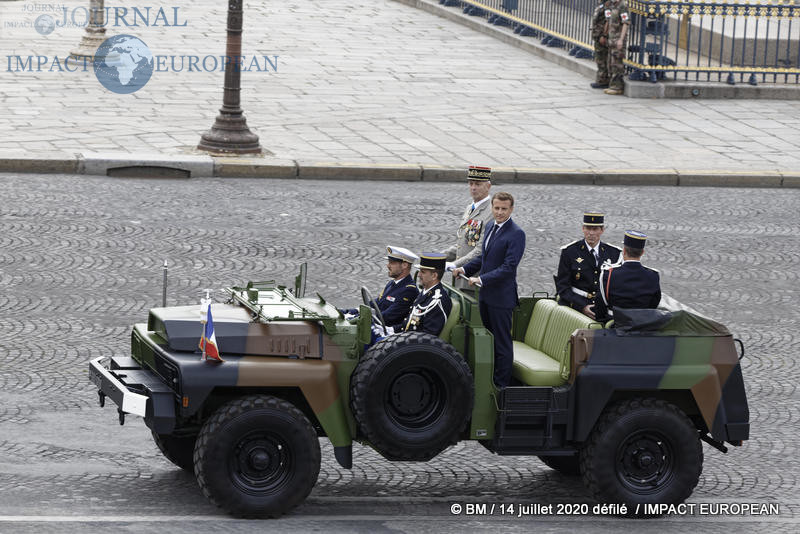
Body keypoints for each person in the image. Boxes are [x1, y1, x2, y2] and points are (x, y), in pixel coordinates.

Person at [453, 192, 525, 389]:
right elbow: (484, 259)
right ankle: (488, 380)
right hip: (485, 296)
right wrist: (464, 269)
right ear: (492, 208)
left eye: (504, 209)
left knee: (502, 344)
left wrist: (481, 279)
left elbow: (508, 268)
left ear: (511, 209)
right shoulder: (491, 226)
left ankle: (501, 387)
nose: (499, 212)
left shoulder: (516, 233)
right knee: (488, 341)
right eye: (496, 208)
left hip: (501, 299)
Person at [554, 211, 620, 321]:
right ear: (583, 228)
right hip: (576, 306)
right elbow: (563, 286)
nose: (591, 233)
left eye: (595, 229)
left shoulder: (613, 253)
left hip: (602, 309)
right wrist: (582, 306)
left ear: (602, 230)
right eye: (588, 228)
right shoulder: (570, 252)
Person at [442, 165, 495, 292]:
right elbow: (465, 242)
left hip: (473, 280)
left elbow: (480, 250)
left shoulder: (491, 212)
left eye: (477, 184)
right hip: (460, 278)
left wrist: (455, 264)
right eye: (471, 183)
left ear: (488, 186)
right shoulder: (470, 207)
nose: (473, 188)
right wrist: (439, 257)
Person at [341, 246, 419, 327]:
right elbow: (376, 304)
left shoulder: (409, 290)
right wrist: (351, 311)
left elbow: (387, 317)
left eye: (392, 262)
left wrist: (357, 318)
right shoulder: (392, 283)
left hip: (389, 333)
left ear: (404, 265)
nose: (388, 266)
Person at [597, 230, 661, 317]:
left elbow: (601, 303)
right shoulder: (653, 275)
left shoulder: (609, 274)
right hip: (642, 324)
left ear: (623, 251)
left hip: (614, 324)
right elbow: (654, 304)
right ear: (642, 253)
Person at [399, 253, 453, 336]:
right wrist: (390, 330)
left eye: (423, 272)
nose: (419, 275)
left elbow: (428, 337)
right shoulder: (426, 293)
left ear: (434, 276)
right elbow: (409, 324)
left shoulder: (438, 301)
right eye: (420, 271)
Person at [604, 0, 630, 96]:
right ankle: (612, 85)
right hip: (612, 38)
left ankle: (618, 87)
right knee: (611, 62)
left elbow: (625, 23)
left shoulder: (623, 5)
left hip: (618, 38)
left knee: (617, 63)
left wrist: (621, 40)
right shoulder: (612, 4)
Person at [590, 0, 610, 89]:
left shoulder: (607, 5)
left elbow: (608, 21)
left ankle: (603, 81)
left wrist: (604, 35)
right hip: (597, 35)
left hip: (601, 35)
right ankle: (601, 79)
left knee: (602, 58)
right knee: (599, 58)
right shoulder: (601, 4)